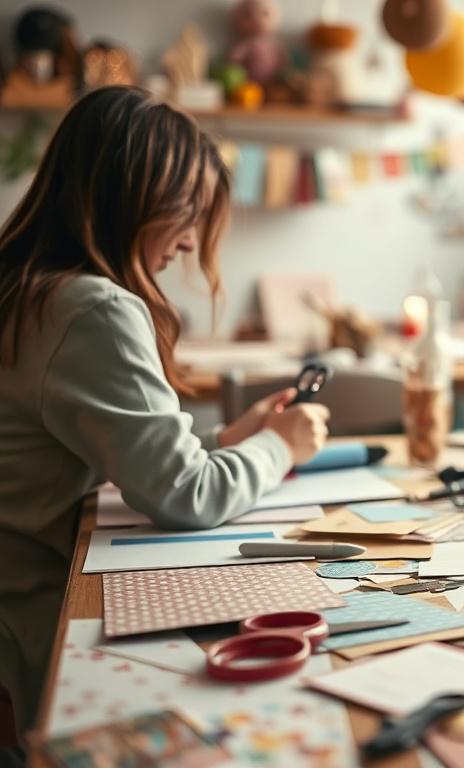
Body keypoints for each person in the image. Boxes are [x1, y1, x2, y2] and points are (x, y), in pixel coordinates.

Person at [0, 87, 330, 742]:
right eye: (186, 212)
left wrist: (226, 438)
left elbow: (116, 444)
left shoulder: (26, 286)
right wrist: (281, 448)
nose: (189, 240)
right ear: (132, 199)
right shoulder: (92, 308)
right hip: (32, 612)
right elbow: (187, 494)